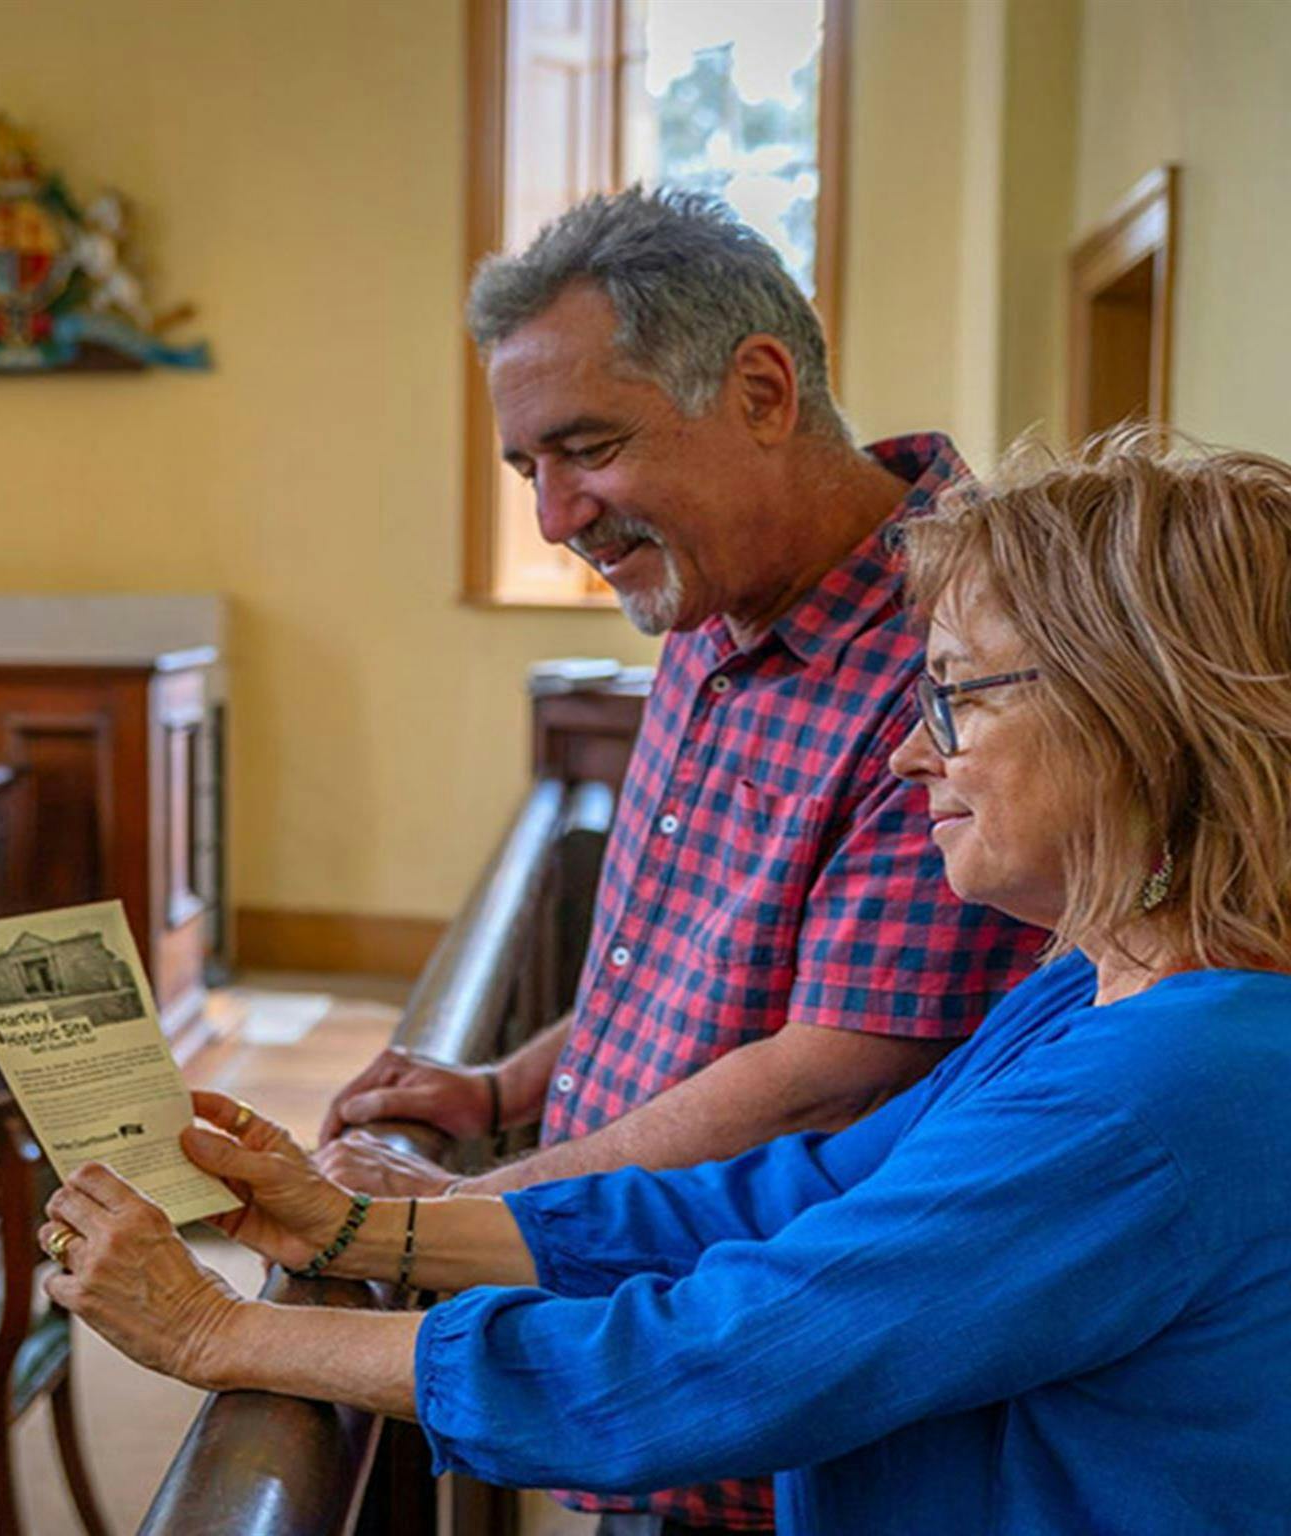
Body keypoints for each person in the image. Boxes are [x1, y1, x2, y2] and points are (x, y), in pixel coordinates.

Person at [39, 436, 1291, 1534]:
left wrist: (224, 1335)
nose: (913, 750)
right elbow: (791, 1194)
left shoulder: (1161, 1086)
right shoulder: (1093, 981)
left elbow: (724, 1359)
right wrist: (361, 1228)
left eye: (955, 695)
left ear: (1137, 718)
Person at [319, 186, 1044, 1533]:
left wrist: (463, 1216)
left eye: (585, 448)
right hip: (637, 1358)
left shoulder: (960, 638)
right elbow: (675, 954)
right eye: (524, 468)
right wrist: (502, 1082)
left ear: (762, 389)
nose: (551, 516)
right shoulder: (710, 594)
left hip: (769, 1411)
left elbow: (823, 1081)